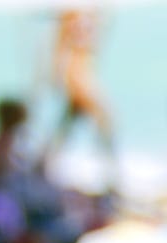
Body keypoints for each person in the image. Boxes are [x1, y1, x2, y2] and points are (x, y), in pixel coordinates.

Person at [48, 8, 116, 189]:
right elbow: (59, 47)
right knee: (104, 124)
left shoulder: (86, 14)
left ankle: (46, 169)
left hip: (83, 75)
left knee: (65, 129)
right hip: (79, 77)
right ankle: (110, 178)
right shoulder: (71, 14)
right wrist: (57, 77)